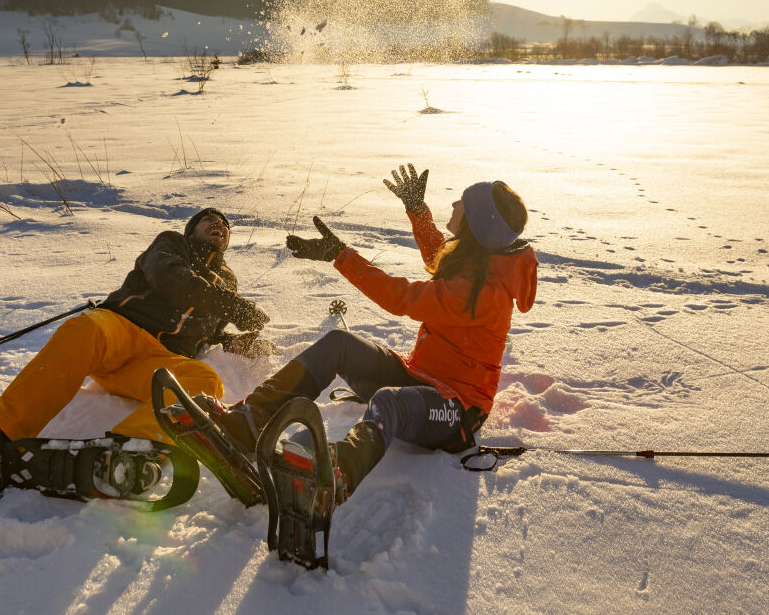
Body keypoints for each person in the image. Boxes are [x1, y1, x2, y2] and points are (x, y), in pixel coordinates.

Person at [217, 164, 537, 508]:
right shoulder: (476, 260)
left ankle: (335, 473)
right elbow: (438, 255)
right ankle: (249, 422)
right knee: (339, 344)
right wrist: (417, 210)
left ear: (476, 226)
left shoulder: (485, 294)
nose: (456, 204)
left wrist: (341, 256)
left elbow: (399, 297)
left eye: (464, 204)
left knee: (389, 402)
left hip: (457, 408)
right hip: (420, 377)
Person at [0, 207, 271, 500]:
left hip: (157, 363)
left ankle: (125, 457)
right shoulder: (172, 244)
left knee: (205, 380)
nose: (219, 223)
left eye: (225, 224)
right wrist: (229, 303)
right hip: (118, 331)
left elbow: (210, 332)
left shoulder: (227, 283)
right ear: (191, 230)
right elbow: (171, 278)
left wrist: (241, 342)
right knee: (83, 329)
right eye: (208, 219)